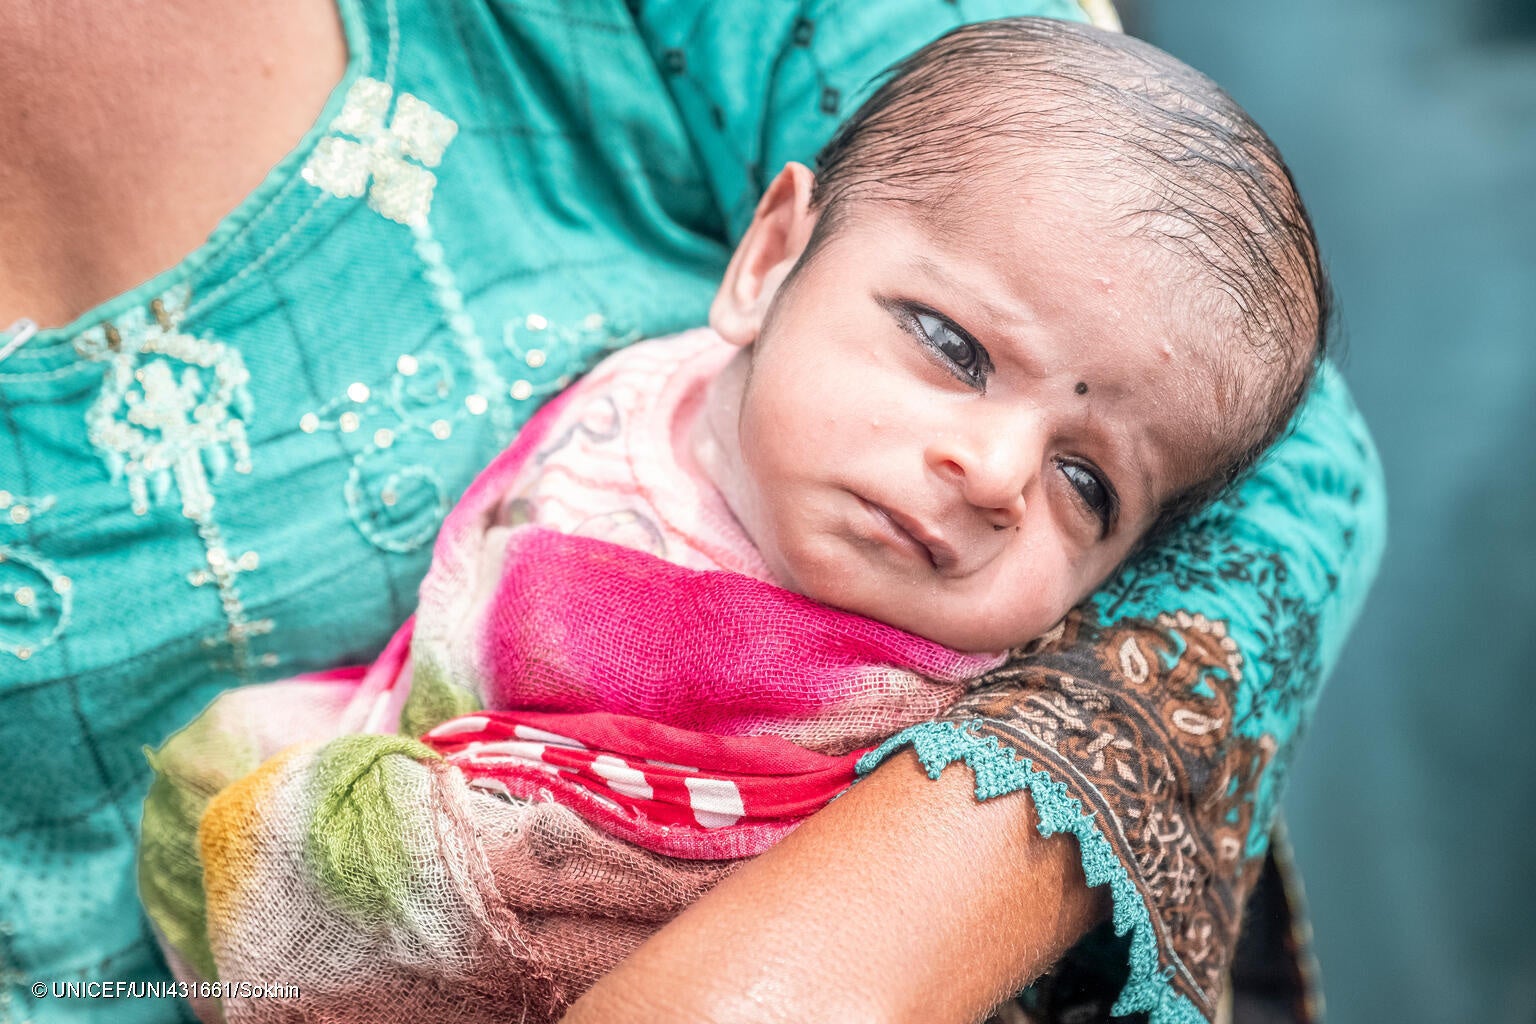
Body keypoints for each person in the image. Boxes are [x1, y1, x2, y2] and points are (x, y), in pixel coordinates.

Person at [0, 2, 1383, 1023]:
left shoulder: (885, 685)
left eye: (1089, 486)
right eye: (953, 351)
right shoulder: (662, 402)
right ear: (768, 259)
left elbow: (1289, 479)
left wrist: (784, 978)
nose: (998, 471)